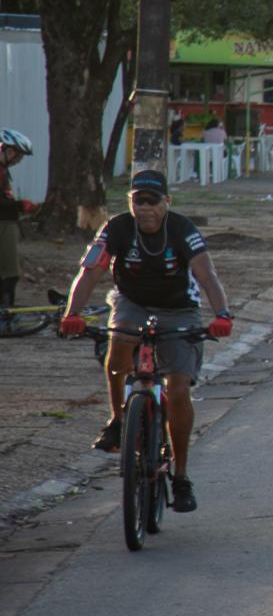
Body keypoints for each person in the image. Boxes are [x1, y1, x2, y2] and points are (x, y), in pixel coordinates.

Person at [60, 170, 234, 513]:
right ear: (130, 202)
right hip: (132, 302)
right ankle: (118, 420)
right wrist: (72, 314)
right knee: (119, 338)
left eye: (153, 201)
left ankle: (181, 477)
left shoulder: (183, 230)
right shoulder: (116, 228)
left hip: (179, 309)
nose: (145, 208)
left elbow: (206, 275)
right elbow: (90, 272)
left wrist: (223, 315)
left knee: (179, 387)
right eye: (138, 200)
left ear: (166, 202)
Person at [0, 129, 33, 310]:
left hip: (7, 223)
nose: (19, 161)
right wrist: (19, 205)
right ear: (10, 151)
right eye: (19, 156)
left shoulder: (3, 171)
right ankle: (7, 311)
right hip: (3, 224)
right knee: (10, 272)